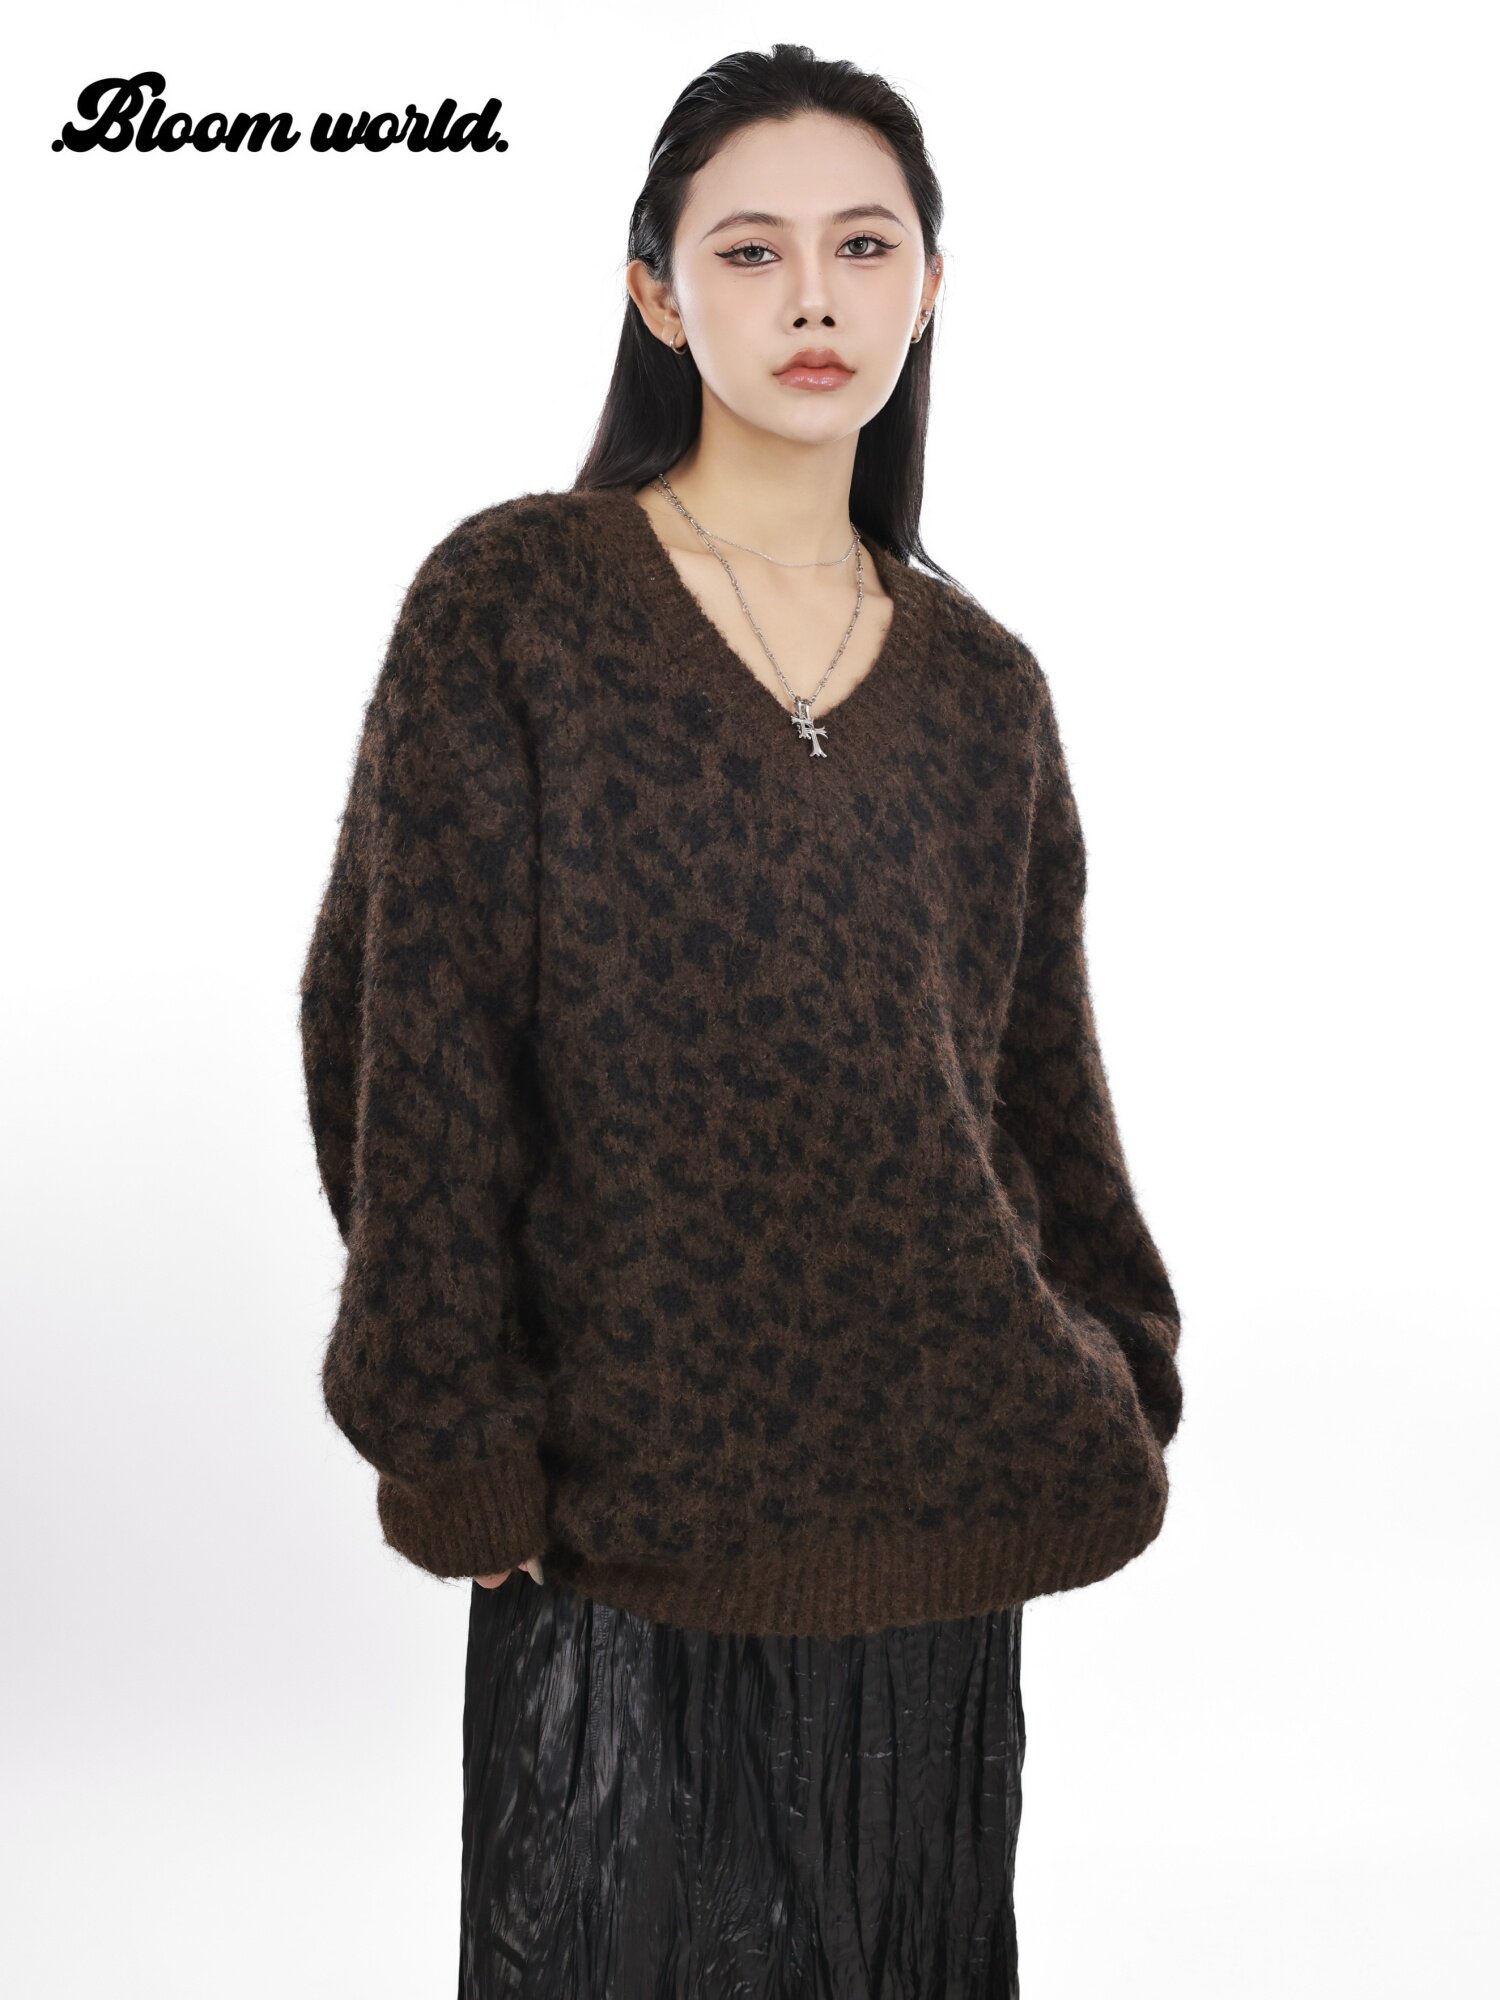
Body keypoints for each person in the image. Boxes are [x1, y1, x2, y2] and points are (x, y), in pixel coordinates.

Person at [299, 43, 1184, 2000]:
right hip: (616, 1532)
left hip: (938, 1528)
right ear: (656, 291)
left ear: (929, 289)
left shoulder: (987, 689)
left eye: (864, 246)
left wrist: (1118, 1362)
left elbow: (1039, 1092)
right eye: (751, 247)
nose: (811, 296)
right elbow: (399, 1029)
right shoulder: (514, 600)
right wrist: (452, 1427)